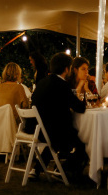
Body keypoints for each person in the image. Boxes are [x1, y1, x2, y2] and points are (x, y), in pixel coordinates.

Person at [30, 52, 87, 180]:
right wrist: (80, 91)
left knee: (54, 140)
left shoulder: (42, 83)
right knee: (84, 142)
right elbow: (80, 108)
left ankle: (36, 169)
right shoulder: (62, 85)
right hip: (55, 132)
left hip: (37, 130)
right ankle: (64, 171)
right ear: (67, 69)